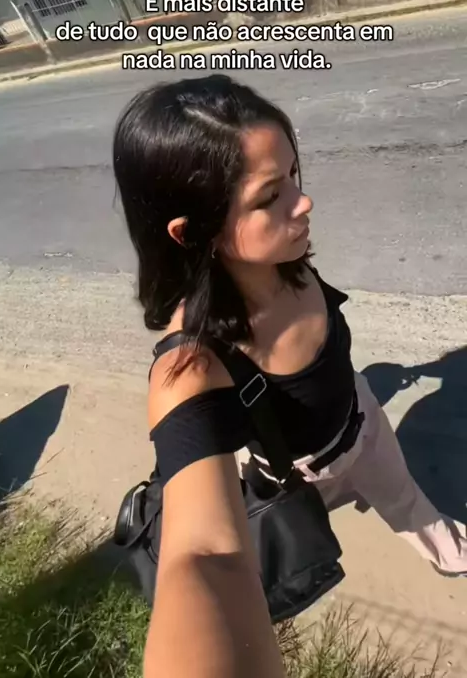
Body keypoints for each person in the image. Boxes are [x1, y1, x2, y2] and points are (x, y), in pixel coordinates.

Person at [113, 74, 467, 675]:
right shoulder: (191, 363)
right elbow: (205, 554)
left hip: (363, 421)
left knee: (411, 503)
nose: (303, 203)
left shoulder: (288, 261)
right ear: (192, 230)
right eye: (269, 197)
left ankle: (453, 556)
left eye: (295, 176)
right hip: (301, 477)